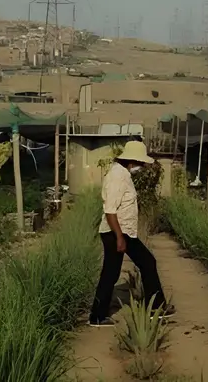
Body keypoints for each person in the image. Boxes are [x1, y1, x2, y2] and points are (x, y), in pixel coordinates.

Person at [89, 139, 175, 327]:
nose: (143, 166)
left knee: (136, 266)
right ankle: (98, 316)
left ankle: (156, 308)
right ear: (132, 160)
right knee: (122, 270)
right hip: (117, 232)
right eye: (141, 163)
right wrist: (119, 237)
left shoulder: (123, 174)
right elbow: (110, 211)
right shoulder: (117, 177)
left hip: (122, 231)